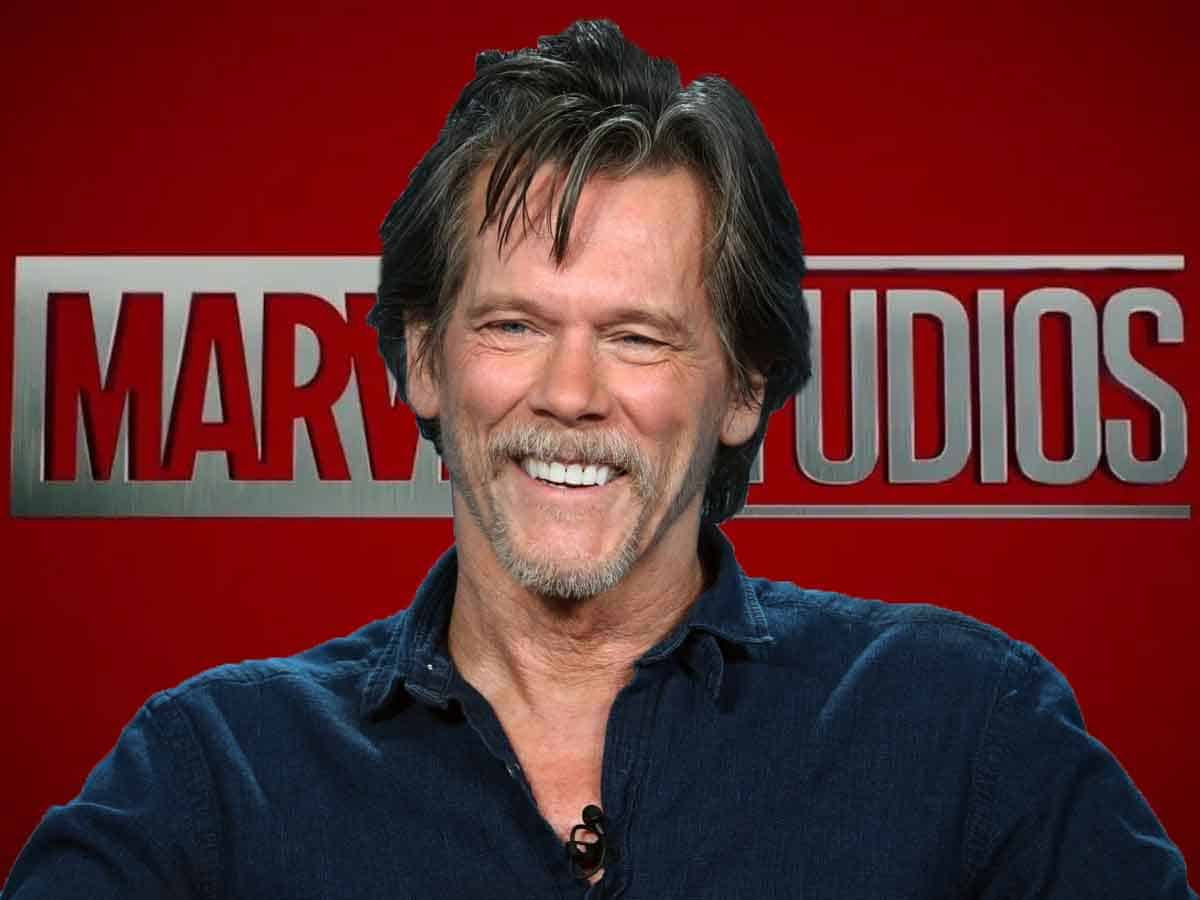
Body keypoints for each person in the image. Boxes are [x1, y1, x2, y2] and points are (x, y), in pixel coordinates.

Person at [3, 19, 1194, 899]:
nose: (569, 395)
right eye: (514, 324)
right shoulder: (215, 775)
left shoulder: (965, 730)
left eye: (637, 336)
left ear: (744, 387)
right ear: (422, 360)